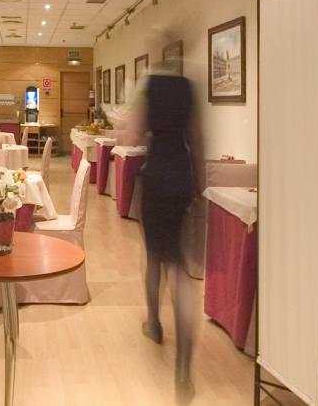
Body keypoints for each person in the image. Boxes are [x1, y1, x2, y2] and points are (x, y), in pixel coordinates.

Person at [128, 61, 204, 405]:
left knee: (153, 256)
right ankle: (184, 369)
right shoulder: (187, 87)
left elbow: (132, 136)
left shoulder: (149, 85)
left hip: (156, 175)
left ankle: (154, 323)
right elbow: (198, 140)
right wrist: (198, 184)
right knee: (178, 263)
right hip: (181, 177)